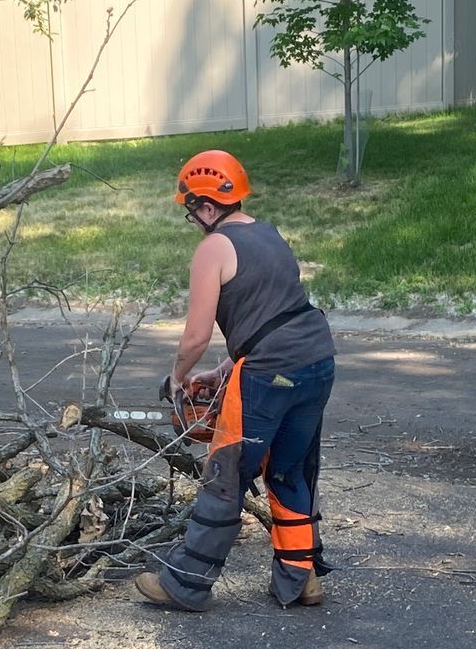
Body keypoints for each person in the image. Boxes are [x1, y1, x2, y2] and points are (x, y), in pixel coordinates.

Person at [136, 150, 335, 612]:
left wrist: (178, 377)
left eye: (192, 212)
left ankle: (184, 584)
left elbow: (195, 335)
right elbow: (275, 317)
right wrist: (225, 370)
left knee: (226, 475)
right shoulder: (269, 233)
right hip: (317, 361)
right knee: (288, 469)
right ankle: (301, 578)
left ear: (206, 206)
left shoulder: (213, 249)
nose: (195, 222)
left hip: (270, 373)